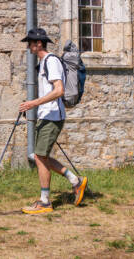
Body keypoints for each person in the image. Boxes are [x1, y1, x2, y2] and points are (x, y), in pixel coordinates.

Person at [18, 27, 89, 214]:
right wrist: (36, 106)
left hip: (53, 116)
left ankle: (45, 202)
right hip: (46, 115)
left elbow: (59, 90)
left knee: (40, 157)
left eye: (30, 43)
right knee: (40, 156)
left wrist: (33, 103)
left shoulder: (51, 62)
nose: (28, 47)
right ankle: (76, 181)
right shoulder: (43, 63)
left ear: (38, 43)